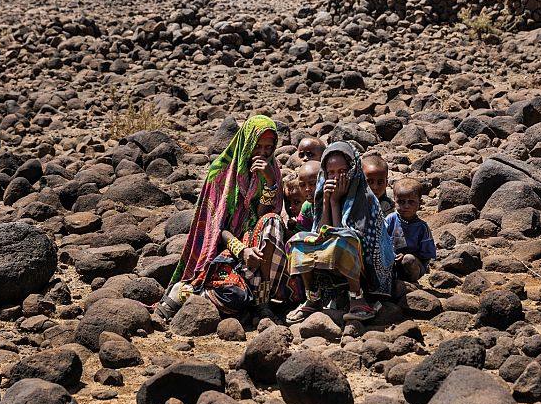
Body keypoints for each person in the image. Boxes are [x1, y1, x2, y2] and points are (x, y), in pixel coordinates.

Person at [160, 115, 286, 320]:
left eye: (268, 148)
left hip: (257, 247)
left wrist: (270, 182)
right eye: (258, 147)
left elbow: (264, 218)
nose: (262, 153)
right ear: (246, 143)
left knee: (273, 221)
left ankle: (261, 301)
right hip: (225, 249)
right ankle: (186, 293)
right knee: (234, 298)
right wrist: (241, 250)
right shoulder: (220, 173)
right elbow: (214, 228)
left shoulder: (272, 171)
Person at [286, 141, 395, 323]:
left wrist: (336, 203)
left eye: (342, 172)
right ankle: (313, 297)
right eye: (331, 173)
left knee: (343, 240)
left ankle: (357, 298)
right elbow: (321, 232)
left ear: (353, 169)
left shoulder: (365, 198)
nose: (336, 178)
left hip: (365, 271)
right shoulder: (322, 194)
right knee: (299, 241)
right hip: (335, 261)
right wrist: (328, 201)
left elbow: (346, 236)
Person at [385, 178, 436, 284]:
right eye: (401, 202)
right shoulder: (390, 220)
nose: (406, 206)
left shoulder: (422, 227)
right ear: (395, 201)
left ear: (420, 203)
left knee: (408, 259)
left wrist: (405, 255)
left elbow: (426, 255)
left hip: (413, 263)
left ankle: (411, 283)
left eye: (411, 202)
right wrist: (392, 254)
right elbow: (381, 240)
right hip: (391, 261)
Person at [287, 160, 320, 235]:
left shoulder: (334, 201)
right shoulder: (307, 206)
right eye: (302, 185)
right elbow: (300, 233)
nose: (307, 189)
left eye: (312, 183)